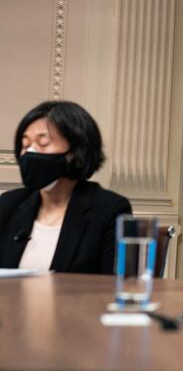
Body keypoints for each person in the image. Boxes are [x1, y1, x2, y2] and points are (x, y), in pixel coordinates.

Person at [0, 101, 132, 274]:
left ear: (76, 152)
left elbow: (117, 284)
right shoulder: (8, 203)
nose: (30, 152)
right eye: (25, 145)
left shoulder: (109, 210)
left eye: (43, 143)